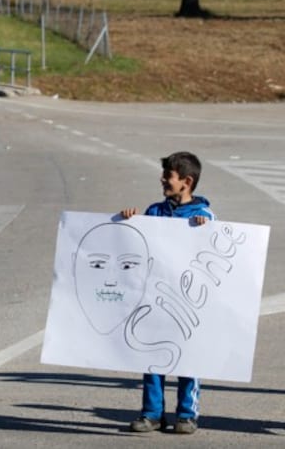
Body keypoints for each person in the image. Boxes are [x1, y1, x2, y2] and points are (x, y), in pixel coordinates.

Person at [120, 151, 214, 435]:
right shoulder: (154, 211)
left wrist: (206, 230)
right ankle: (152, 413)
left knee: (188, 357)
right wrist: (130, 222)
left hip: (188, 302)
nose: (162, 180)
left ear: (186, 181)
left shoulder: (204, 215)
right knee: (152, 356)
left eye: (168, 176)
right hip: (155, 300)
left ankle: (186, 414)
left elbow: (215, 251)